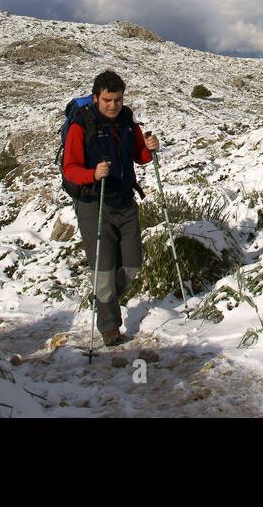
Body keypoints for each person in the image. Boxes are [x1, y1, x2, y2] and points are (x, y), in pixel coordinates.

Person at [61, 69, 160, 346]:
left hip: (124, 200)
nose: (113, 105)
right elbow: (70, 169)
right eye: (107, 100)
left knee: (132, 264)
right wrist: (92, 174)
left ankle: (105, 298)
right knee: (103, 269)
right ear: (95, 98)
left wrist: (150, 147)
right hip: (94, 203)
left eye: (117, 99)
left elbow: (139, 156)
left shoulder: (127, 120)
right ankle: (109, 327)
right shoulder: (82, 124)